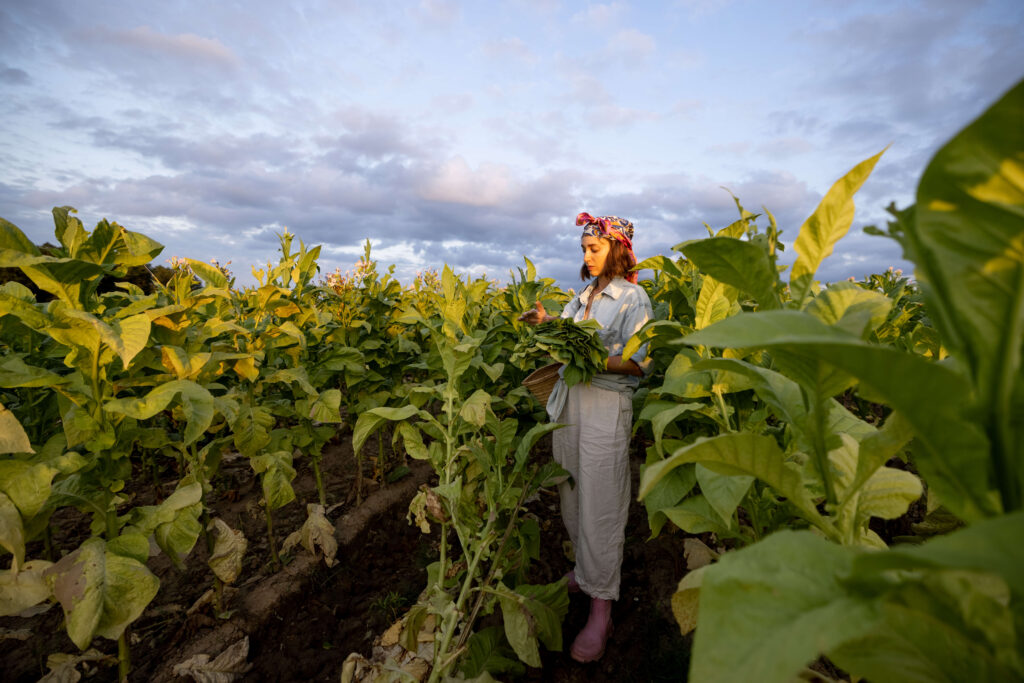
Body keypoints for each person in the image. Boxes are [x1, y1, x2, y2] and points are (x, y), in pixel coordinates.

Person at [518, 212, 653, 662]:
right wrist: (546, 322)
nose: (587, 256)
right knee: (572, 488)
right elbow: (568, 334)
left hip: (604, 406)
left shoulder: (633, 297)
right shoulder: (584, 296)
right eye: (583, 249)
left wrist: (595, 360)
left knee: (601, 498)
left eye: (594, 248)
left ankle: (602, 605)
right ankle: (584, 570)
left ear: (616, 248)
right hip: (572, 401)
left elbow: (640, 363)